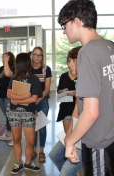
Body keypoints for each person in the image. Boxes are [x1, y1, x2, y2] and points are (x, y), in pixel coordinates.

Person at [58, 0, 114, 175]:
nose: (64, 30)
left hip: (99, 141)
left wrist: (70, 142)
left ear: (77, 21)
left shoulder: (87, 52)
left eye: (64, 24)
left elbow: (91, 112)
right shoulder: (109, 46)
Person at [7, 53, 42, 175]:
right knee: (16, 140)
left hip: (28, 113)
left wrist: (17, 100)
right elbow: (9, 94)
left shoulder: (34, 79)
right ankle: (19, 163)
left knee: (30, 142)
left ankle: (27, 163)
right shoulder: (14, 78)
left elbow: (33, 99)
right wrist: (21, 97)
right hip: (14, 113)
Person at [49, 98, 83, 176]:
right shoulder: (80, 85)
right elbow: (76, 108)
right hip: (75, 129)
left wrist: (71, 142)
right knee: (54, 155)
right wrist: (68, 132)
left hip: (85, 135)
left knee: (65, 172)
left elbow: (90, 114)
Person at [31, 46, 52, 162]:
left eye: (40, 55)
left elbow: (46, 89)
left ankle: (41, 151)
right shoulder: (28, 69)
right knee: (32, 127)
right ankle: (33, 149)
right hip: (30, 101)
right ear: (32, 55)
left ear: (42, 57)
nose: (37, 57)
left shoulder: (46, 69)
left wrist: (36, 101)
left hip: (42, 101)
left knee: (42, 127)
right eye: (35, 54)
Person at [57, 46, 81, 133]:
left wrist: (77, 93)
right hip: (66, 108)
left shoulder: (84, 78)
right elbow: (58, 91)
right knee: (68, 134)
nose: (70, 64)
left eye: (74, 60)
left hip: (79, 111)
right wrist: (62, 91)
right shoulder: (63, 76)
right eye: (69, 61)